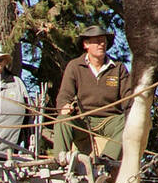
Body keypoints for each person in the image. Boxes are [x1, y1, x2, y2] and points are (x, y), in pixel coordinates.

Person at [52, 25, 131, 160]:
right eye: (97, 41)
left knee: (128, 120)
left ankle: (108, 160)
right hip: (83, 120)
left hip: (110, 121)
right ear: (86, 44)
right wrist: (64, 106)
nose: (101, 44)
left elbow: (129, 98)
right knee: (62, 121)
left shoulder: (118, 68)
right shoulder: (74, 66)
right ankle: (60, 160)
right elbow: (64, 94)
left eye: (103, 41)